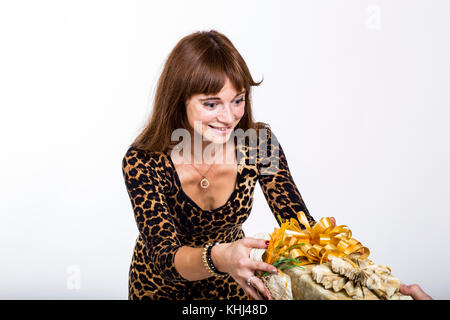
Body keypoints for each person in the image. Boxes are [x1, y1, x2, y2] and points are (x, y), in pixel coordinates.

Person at [121, 30, 432, 300]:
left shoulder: (258, 143)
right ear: (179, 102)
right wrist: (223, 257)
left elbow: (301, 230)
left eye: (238, 100)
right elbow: (164, 257)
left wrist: (382, 289)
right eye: (211, 103)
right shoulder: (142, 162)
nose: (229, 117)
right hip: (160, 289)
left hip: (235, 284)